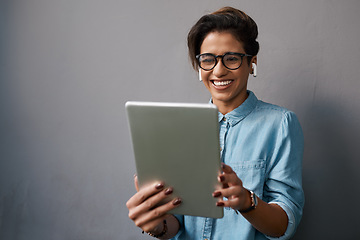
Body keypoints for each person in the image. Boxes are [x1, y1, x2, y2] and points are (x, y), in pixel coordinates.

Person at [126, 6, 304, 240]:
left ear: (252, 62)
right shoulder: (180, 129)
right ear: (199, 66)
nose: (218, 71)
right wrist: (155, 223)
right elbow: (176, 223)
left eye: (231, 58)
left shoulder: (280, 124)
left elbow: (284, 225)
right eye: (208, 60)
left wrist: (246, 201)